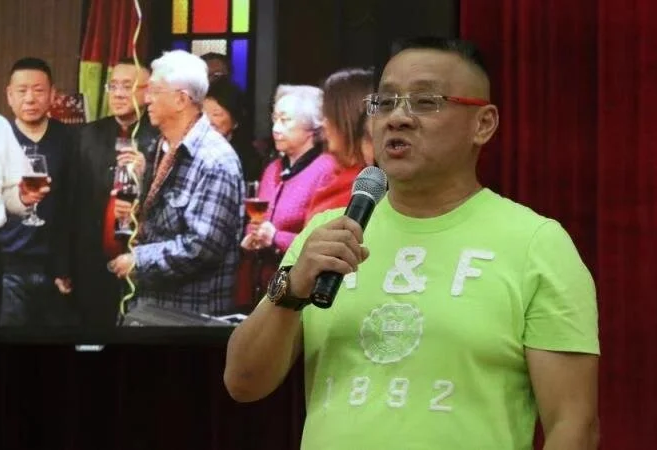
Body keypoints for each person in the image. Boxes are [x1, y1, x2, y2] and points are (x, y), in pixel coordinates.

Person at [224, 37, 600, 449]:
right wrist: (291, 290)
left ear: (483, 124)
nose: (397, 118)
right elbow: (243, 383)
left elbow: (573, 425)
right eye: (385, 102)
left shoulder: (535, 244)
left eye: (425, 102)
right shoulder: (329, 234)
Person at [110, 50, 243, 318]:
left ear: (181, 99)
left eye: (155, 91)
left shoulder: (214, 160)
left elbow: (203, 247)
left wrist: (139, 260)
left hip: (191, 314)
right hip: (150, 303)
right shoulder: (159, 147)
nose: (146, 99)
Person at [62, 57, 157, 328]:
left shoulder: (160, 138)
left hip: (141, 259)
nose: (118, 94)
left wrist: (146, 173)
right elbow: (70, 202)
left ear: (148, 92)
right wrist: (64, 264)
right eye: (113, 86)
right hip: (91, 259)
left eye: (127, 86)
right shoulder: (86, 135)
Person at [236, 84, 334, 306]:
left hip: (297, 293)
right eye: (275, 119)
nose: (276, 128)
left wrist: (275, 237)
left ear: (311, 127)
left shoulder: (326, 169)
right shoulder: (272, 169)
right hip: (259, 288)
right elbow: (258, 221)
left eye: (285, 120)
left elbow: (323, 244)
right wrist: (253, 234)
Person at [0, 58, 76, 327]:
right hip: (7, 266)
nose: (30, 98)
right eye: (22, 91)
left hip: (55, 268)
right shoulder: (0, 139)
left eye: (38, 90)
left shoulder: (72, 140)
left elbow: (75, 205)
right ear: (9, 95)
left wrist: (66, 265)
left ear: (53, 94)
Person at [303, 67, 375, 223]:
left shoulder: (366, 190)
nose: (323, 124)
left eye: (327, 115)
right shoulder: (334, 176)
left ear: (347, 119)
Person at [203, 77, 264, 181]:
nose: (207, 120)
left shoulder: (244, 160)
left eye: (216, 114)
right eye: (202, 113)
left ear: (235, 122)